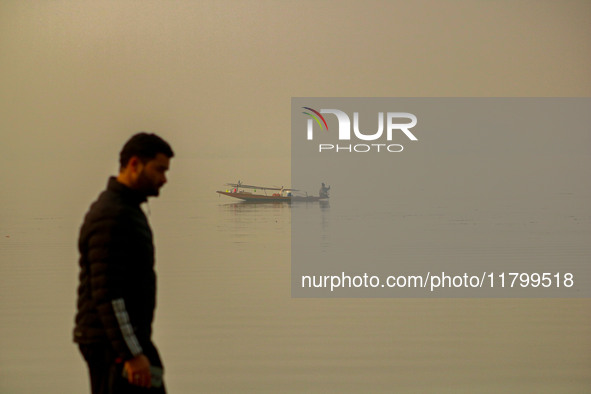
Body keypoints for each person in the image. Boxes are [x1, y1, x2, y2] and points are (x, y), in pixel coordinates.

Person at [73, 133, 174, 393]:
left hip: (125, 341)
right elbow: (107, 293)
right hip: (111, 346)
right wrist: (130, 354)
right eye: (159, 169)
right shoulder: (113, 216)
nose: (164, 178)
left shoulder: (127, 210)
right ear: (134, 164)